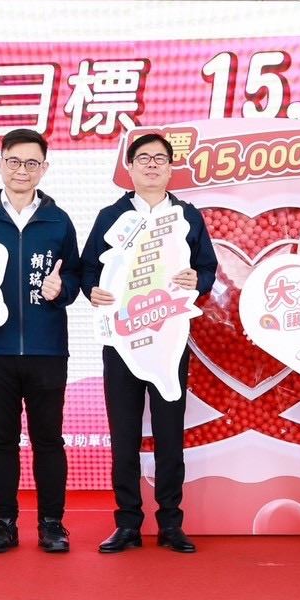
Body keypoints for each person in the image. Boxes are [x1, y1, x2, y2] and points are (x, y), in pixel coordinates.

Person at [81, 132, 217, 555]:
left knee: (169, 434)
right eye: (144, 158)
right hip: (122, 341)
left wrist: (198, 280)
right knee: (123, 435)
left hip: (168, 338)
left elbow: (207, 269)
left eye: (160, 158)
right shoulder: (111, 216)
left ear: (171, 167)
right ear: (130, 167)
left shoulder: (187, 216)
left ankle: (171, 523)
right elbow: (88, 270)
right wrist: (92, 290)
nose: (152, 165)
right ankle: (127, 523)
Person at [0, 128, 82, 554]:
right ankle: (3, 524)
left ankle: (52, 524)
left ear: (44, 168)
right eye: (14, 161)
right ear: (0, 164)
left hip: (47, 348)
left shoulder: (58, 220)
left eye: (32, 163)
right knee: (2, 440)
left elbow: (76, 275)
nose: (22, 170)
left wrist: (61, 289)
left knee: (49, 439)